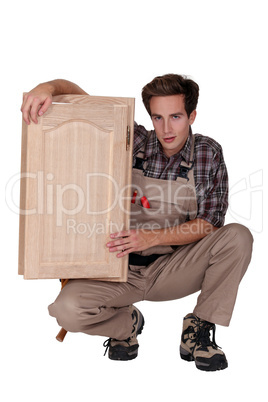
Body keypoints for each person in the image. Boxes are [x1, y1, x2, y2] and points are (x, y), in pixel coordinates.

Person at [21, 74, 253, 371]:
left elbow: (209, 223)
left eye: (176, 117)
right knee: (67, 311)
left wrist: (150, 238)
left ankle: (200, 328)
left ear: (192, 115)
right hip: (118, 269)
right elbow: (87, 105)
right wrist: (48, 88)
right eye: (158, 117)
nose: (166, 128)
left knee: (238, 237)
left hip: (174, 267)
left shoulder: (208, 152)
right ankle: (126, 324)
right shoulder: (132, 140)